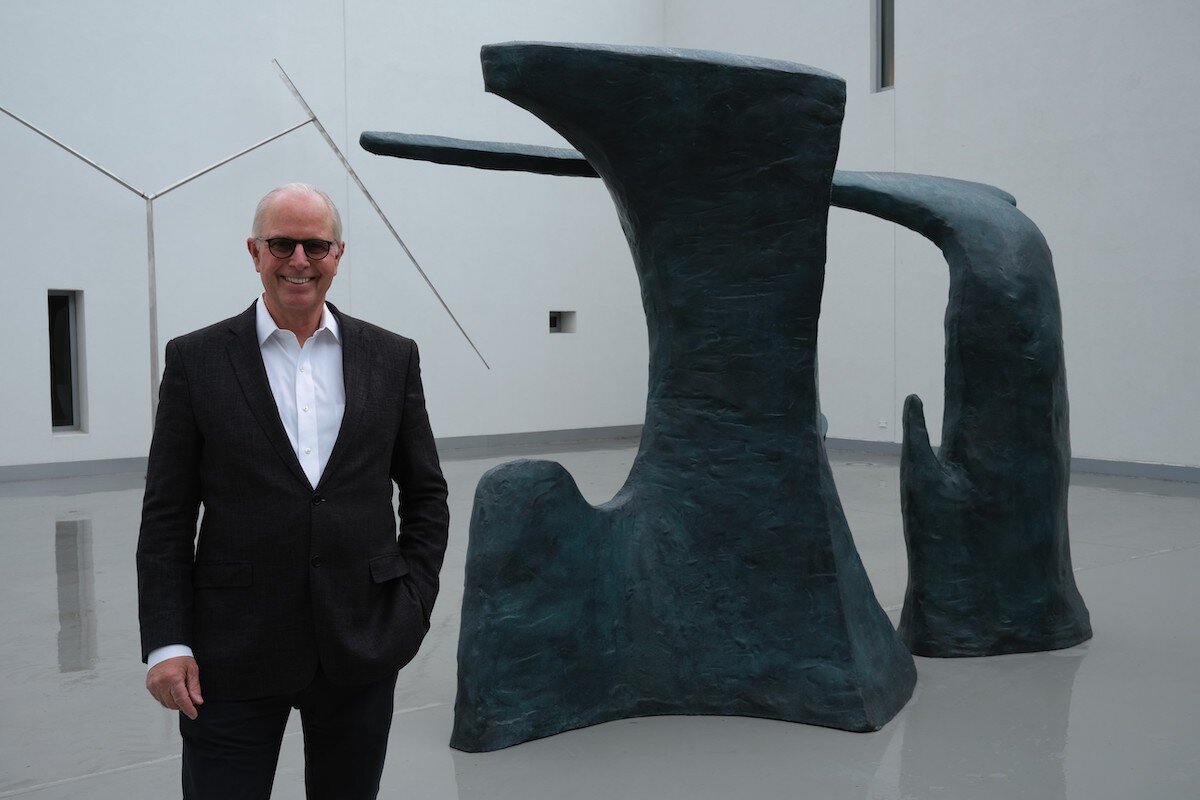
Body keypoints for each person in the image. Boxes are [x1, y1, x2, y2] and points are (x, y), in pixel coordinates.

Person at [136, 183, 449, 799]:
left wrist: (411, 606)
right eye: (282, 244)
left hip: (359, 641)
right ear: (255, 251)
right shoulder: (196, 360)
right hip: (229, 651)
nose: (299, 260)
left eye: (315, 246)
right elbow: (167, 514)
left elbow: (425, 494)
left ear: (338, 254)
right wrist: (166, 644)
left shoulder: (391, 357)